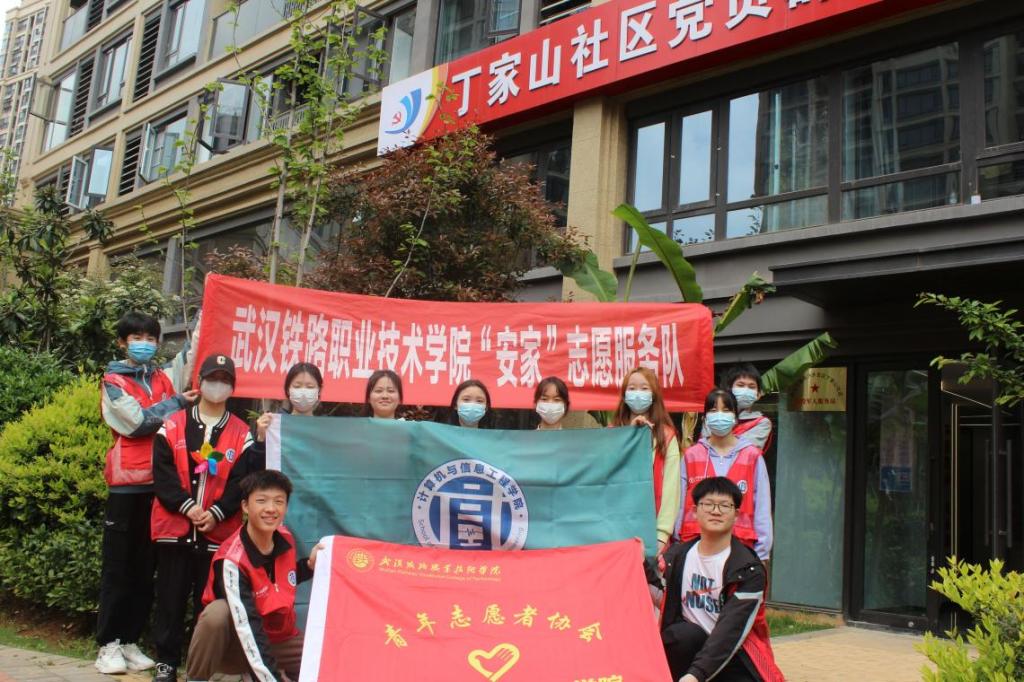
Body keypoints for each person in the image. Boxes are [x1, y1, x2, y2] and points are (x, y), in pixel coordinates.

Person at [94, 312, 199, 675]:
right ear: (122, 342)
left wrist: (207, 310)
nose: (145, 344)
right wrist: (177, 404)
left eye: (151, 338)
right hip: (127, 485)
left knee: (145, 568)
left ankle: (128, 639)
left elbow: (190, 356)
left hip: (160, 485)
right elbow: (137, 422)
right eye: (137, 337)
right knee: (118, 567)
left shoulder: (162, 377)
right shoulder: (113, 382)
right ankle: (107, 644)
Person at [150, 354, 264, 682]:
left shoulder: (241, 433)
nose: (217, 385)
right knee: (170, 599)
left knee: (209, 604)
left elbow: (242, 481)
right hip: (175, 529)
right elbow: (163, 474)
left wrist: (216, 513)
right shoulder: (172, 425)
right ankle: (166, 662)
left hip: (218, 535)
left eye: (224, 380)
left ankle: (201, 667)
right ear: (199, 382)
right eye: (212, 378)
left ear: (232, 387)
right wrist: (187, 507)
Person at [186, 470, 322, 682]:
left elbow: (279, 578)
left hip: (277, 639)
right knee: (217, 613)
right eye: (261, 501)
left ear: (286, 507)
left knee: (321, 657)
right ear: (245, 506)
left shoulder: (285, 538)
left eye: (279, 501)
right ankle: (199, 678)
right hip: (236, 646)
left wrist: (310, 566)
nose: (271, 508)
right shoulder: (231, 560)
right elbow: (247, 626)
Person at [659, 477, 784, 682]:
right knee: (681, 635)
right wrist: (634, 559)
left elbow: (731, 631)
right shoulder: (677, 556)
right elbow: (655, 592)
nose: (716, 511)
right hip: (691, 648)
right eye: (708, 504)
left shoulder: (748, 570)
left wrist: (695, 676)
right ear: (694, 511)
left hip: (735, 654)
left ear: (736, 515)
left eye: (725, 506)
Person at [680, 389, 773, 562]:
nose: (719, 415)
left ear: (735, 418)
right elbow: (679, 504)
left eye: (726, 410)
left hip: (740, 548)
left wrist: (762, 553)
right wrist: (677, 547)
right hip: (695, 546)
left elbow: (762, 506)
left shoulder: (752, 456)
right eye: (713, 410)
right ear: (705, 418)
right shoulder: (692, 455)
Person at [612, 367, 681, 555]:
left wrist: (661, 535)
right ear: (624, 394)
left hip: (651, 532)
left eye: (644, 388)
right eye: (632, 388)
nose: (638, 393)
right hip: (615, 530)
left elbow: (671, 488)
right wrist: (630, 435)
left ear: (654, 394)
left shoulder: (666, 436)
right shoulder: (611, 433)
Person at [701, 364, 773, 452]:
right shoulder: (713, 416)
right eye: (740, 385)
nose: (746, 390)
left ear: (758, 394)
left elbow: (745, 452)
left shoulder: (762, 422)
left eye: (751, 387)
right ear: (729, 389)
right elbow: (703, 448)